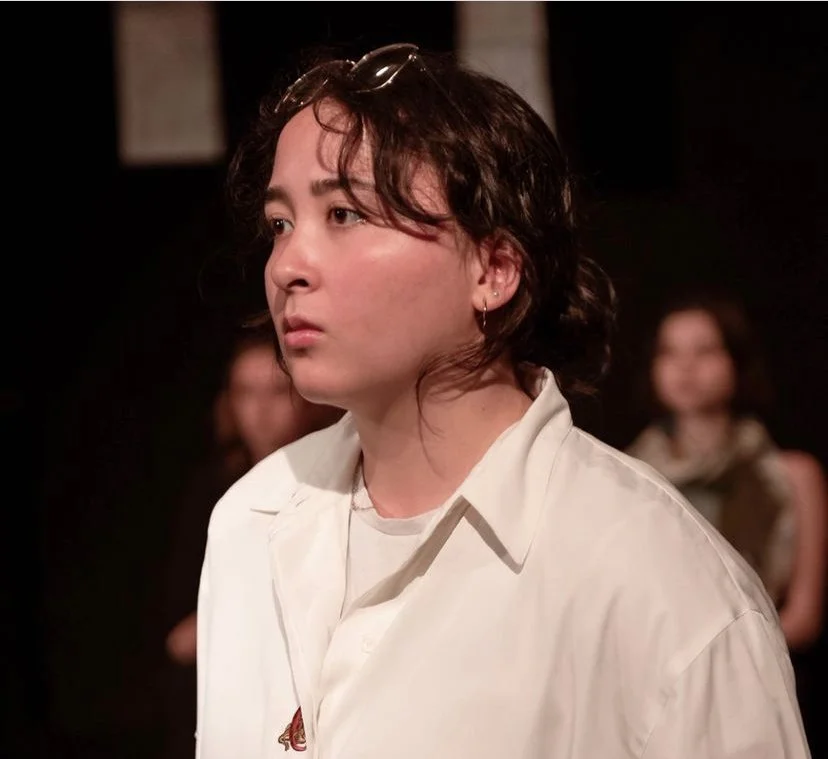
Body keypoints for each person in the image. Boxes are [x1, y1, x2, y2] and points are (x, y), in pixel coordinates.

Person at [196, 42, 811, 758]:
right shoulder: (250, 523)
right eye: (280, 224)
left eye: (345, 213)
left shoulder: (663, 588)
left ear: (493, 267)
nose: (288, 265)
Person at [160, 326, 341, 757]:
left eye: (277, 393)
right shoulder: (214, 492)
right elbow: (177, 637)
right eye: (245, 392)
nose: (260, 410)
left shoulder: (337, 482)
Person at [626, 291, 827, 653]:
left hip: (762, 673)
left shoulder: (793, 475)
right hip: (656, 677)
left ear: (736, 361)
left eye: (704, 351)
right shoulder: (631, 476)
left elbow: (804, 616)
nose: (685, 367)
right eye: (669, 352)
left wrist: (719, 658)